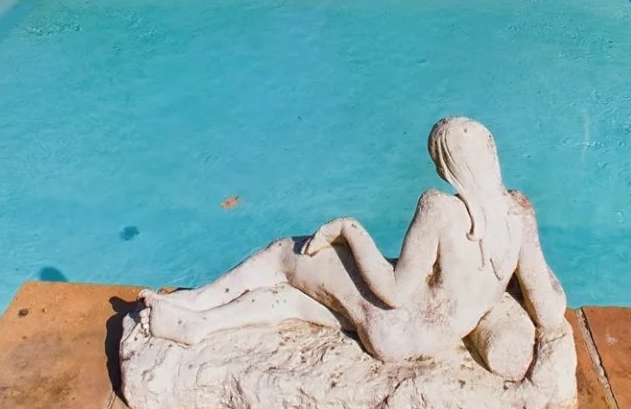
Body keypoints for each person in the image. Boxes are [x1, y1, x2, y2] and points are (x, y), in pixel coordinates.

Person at [141, 117, 567, 375]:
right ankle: (199, 326)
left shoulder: (439, 209)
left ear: (447, 166)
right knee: (293, 302)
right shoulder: (519, 214)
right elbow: (548, 311)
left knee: (286, 254)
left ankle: (195, 301)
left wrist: (349, 229)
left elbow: (394, 292)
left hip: (395, 326)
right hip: (428, 338)